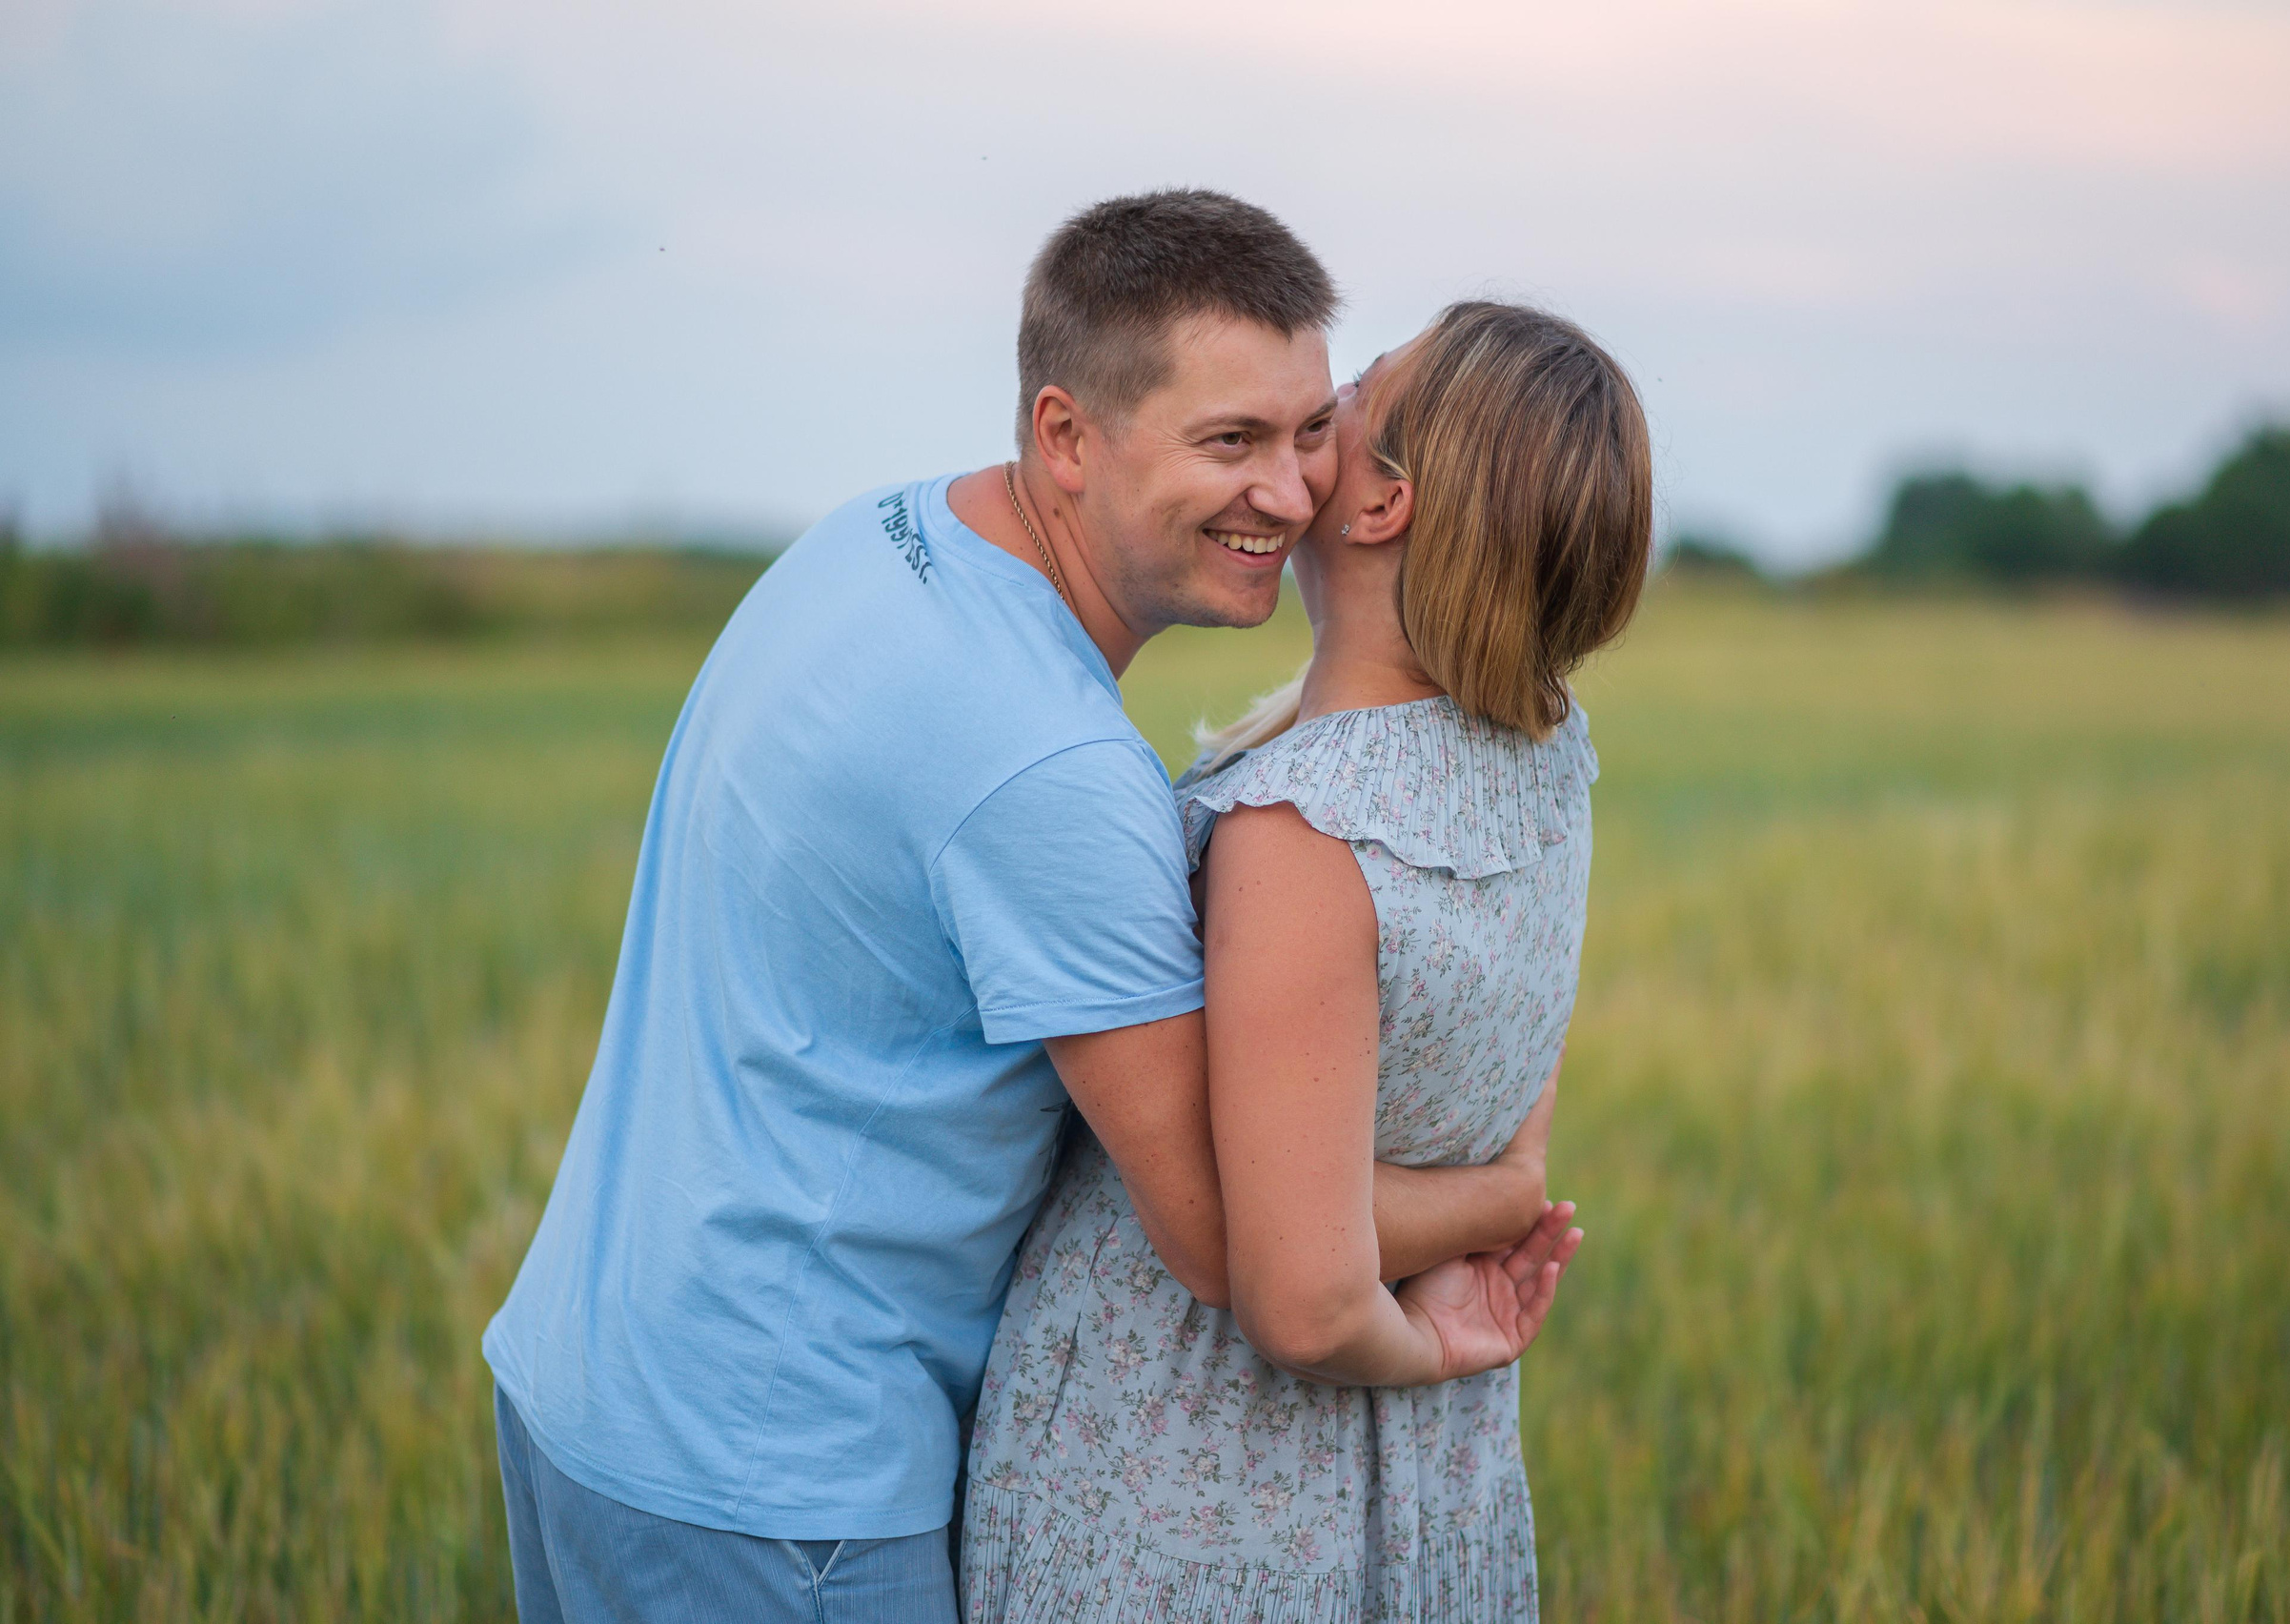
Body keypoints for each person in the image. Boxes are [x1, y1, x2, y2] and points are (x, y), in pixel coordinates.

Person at [480, 193, 1560, 1624]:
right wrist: (1498, 1193)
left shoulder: (878, 538)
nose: (1293, 492)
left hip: (591, 1388)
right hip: (780, 1486)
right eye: (1229, 441)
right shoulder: (1049, 770)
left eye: (1310, 429)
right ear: (1067, 435)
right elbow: (1227, 1238)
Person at [963, 300, 1652, 1622]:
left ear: (1381, 503)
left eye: (1336, 417)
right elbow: (1471, 1117)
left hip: (1193, 1489)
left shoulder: (1303, 830)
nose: (1290, 448)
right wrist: (1498, 1196)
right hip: (1428, 1486)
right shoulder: (1549, 758)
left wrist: (1429, 1338)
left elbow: (1302, 1292)